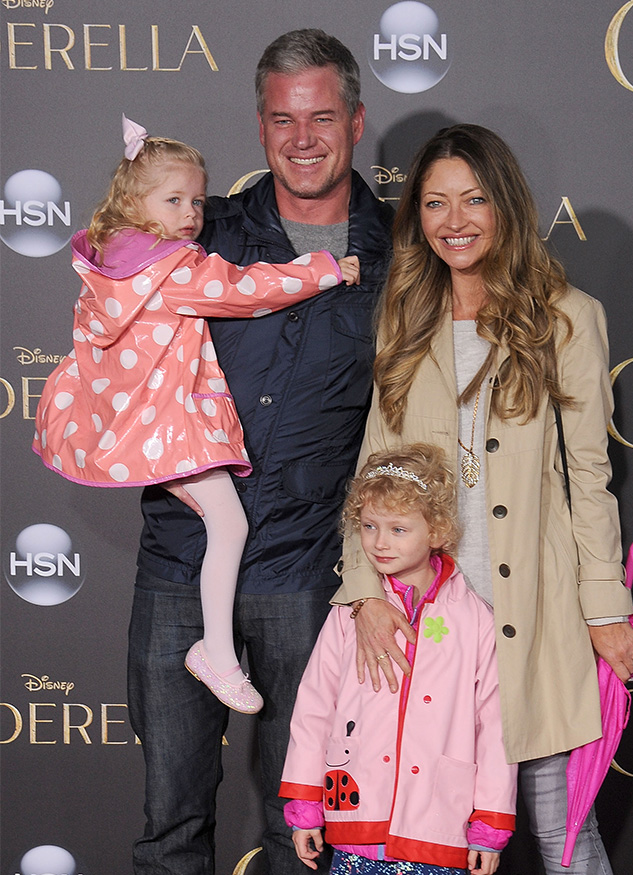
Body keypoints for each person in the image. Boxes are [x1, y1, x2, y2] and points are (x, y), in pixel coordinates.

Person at [333, 124, 633, 875]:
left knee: (560, 834)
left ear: (505, 204)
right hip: (427, 628)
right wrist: (361, 591)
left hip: (535, 621)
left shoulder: (568, 316)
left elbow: (589, 477)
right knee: (428, 846)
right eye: (436, 203)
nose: (455, 220)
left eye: (474, 198)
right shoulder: (403, 317)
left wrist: (603, 607)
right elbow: (374, 464)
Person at [128, 29, 394, 875]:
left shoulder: (400, 256)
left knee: (303, 830)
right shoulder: (197, 237)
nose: (303, 138)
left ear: (356, 120)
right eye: (284, 119)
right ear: (260, 127)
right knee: (170, 826)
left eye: (321, 117)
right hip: (180, 558)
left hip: (309, 572)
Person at [32, 115, 357, 715]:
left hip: (135, 433)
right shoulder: (174, 268)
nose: (190, 214)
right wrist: (324, 269)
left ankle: (215, 647)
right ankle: (216, 651)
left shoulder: (108, 266)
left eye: (197, 201)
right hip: (169, 434)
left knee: (219, 525)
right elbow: (244, 289)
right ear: (135, 202)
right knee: (230, 527)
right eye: (174, 199)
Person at [280, 444, 517, 875]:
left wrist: (490, 823)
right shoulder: (347, 614)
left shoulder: (476, 620)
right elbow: (314, 707)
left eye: (398, 529)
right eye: (369, 526)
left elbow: (496, 725)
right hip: (356, 820)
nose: (380, 543)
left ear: (437, 531)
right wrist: (304, 801)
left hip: (438, 825)